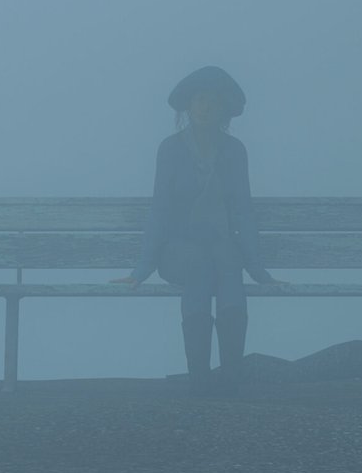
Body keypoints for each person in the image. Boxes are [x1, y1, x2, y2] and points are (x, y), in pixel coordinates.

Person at [110, 66, 279, 396]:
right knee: (199, 265)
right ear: (189, 105)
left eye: (213, 101)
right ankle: (199, 379)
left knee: (228, 261)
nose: (205, 107)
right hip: (177, 251)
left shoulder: (235, 151)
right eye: (200, 99)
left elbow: (243, 211)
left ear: (223, 109)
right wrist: (141, 270)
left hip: (221, 248)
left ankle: (231, 378)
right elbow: (160, 208)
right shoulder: (170, 149)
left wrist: (259, 272)